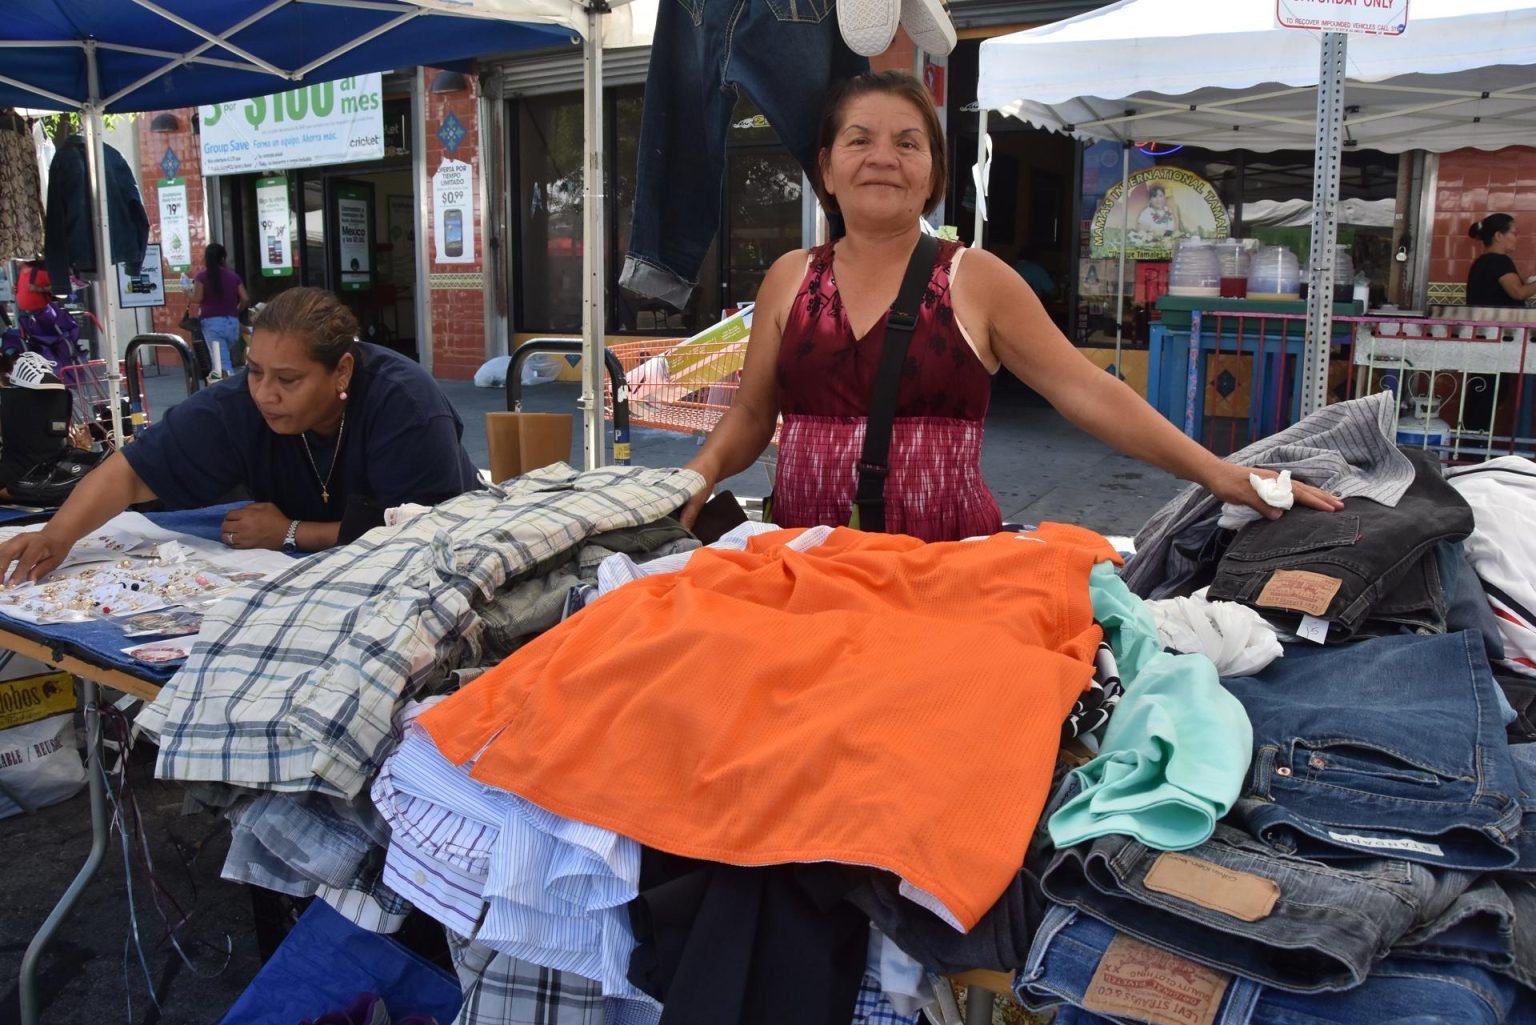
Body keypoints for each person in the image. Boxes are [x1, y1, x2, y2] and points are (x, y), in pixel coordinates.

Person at [679, 71, 1340, 540]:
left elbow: (1088, 391)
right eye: (859, 140)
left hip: (946, 575)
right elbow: (752, 415)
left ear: (935, 175)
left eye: (908, 143)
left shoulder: (975, 278)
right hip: (806, 568)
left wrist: (1217, 474)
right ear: (825, 168)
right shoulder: (789, 278)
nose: (883, 157)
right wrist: (693, 477)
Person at [0, 287, 482, 584]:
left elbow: (425, 534)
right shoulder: (239, 403)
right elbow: (128, 473)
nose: (265, 394)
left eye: (287, 380)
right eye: (254, 371)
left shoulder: (406, 406)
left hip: (443, 568)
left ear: (342, 372)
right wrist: (55, 536)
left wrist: (292, 533)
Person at [191, 242, 248, 378]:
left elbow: (197, 298)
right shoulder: (234, 277)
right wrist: (236, 311)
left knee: (222, 364)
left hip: (212, 324)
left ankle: (228, 392)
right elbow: (245, 298)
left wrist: (187, 293)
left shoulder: (202, 277)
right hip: (232, 324)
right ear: (223, 258)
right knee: (224, 358)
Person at [1466, 214, 1536, 306]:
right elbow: (1519, 293)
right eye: (1514, 233)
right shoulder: (1499, 261)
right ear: (1498, 235)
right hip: (1498, 320)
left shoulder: (1480, 262)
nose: (1516, 238)